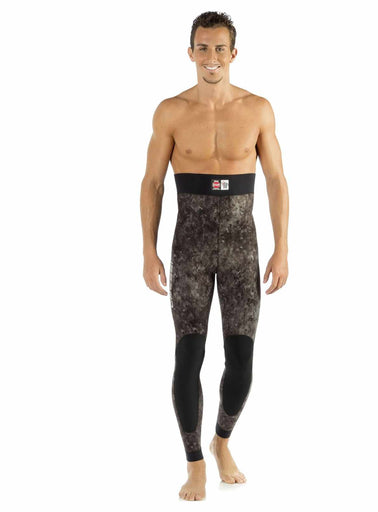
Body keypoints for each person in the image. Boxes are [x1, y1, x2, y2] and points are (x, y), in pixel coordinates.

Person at [140, 11, 289, 501]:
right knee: (189, 355)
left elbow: (275, 179)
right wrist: (148, 250)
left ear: (233, 54)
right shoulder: (171, 112)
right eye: (202, 48)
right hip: (190, 246)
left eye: (219, 48)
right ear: (190, 52)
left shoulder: (257, 109)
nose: (211, 57)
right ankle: (195, 463)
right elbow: (153, 182)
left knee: (242, 360)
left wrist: (282, 247)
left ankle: (221, 440)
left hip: (243, 246)